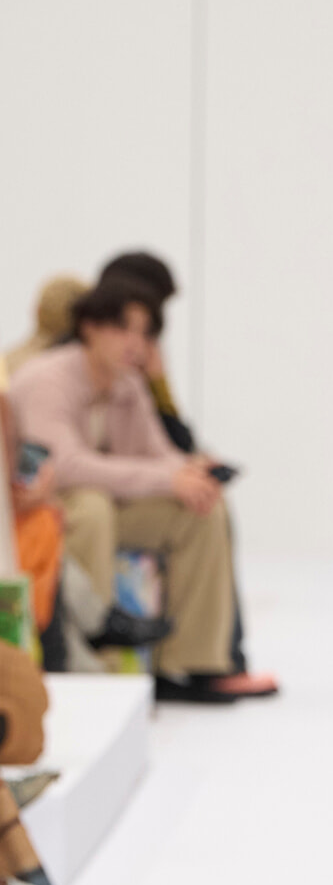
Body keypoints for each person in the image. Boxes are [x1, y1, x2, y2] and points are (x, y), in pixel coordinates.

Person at [9, 276, 252, 700]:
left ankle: (190, 664)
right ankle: (92, 663)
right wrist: (166, 477)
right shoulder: (48, 378)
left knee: (200, 508)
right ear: (89, 327)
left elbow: (154, 453)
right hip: (44, 505)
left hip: (109, 499)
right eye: (123, 328)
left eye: (145, 332)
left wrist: (191, 469)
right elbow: (64, 466)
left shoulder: (126, 382)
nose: (135, 343)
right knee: (92, 507)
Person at [96, 250, 276, 696]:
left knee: (208, 499)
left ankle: (218, 658)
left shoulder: (129, 364)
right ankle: (208, 665)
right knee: (204, 509)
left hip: (128, 486)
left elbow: (168, 441)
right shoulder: (104, 363)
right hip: (108, 494)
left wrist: (190, 462)